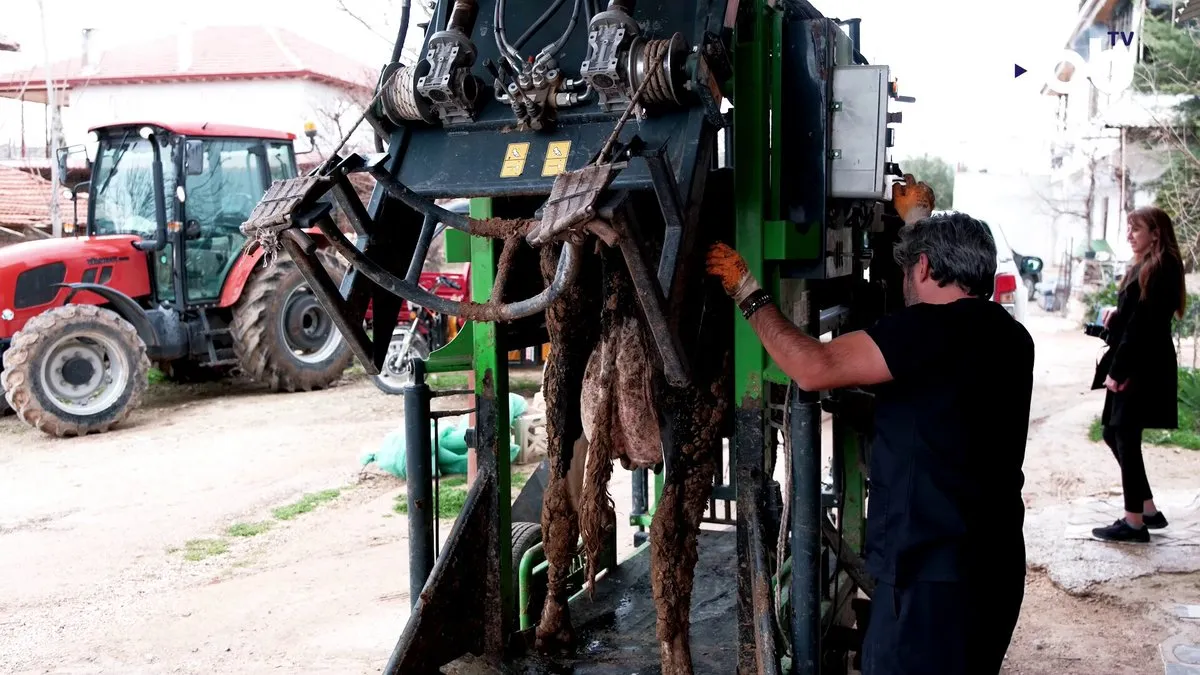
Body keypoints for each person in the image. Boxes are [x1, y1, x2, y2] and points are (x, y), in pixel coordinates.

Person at [705, 178, 1034, 675]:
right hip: (994, 566)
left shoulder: (921, 332)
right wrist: (917, 221)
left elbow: (811, 366)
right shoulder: (1010, 336)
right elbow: (932, 344)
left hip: (928, 582)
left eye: (911, 265)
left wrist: (748, 292)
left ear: (923, 267)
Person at [1091, 206, 1186, 543]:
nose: (1130, 235)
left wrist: (1119, 370)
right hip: (1136, 359)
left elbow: (1145, 324)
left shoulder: (1162, 266)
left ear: (1156, 233)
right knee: (1114, 433)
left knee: (1124, 436)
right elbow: (1136, 313)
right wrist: (1118, 312)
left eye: (1136, 229)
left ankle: (1134, 523)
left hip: (1141, 364)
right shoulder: (1146, 264)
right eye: (1129, 229)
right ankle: (1146, 509)